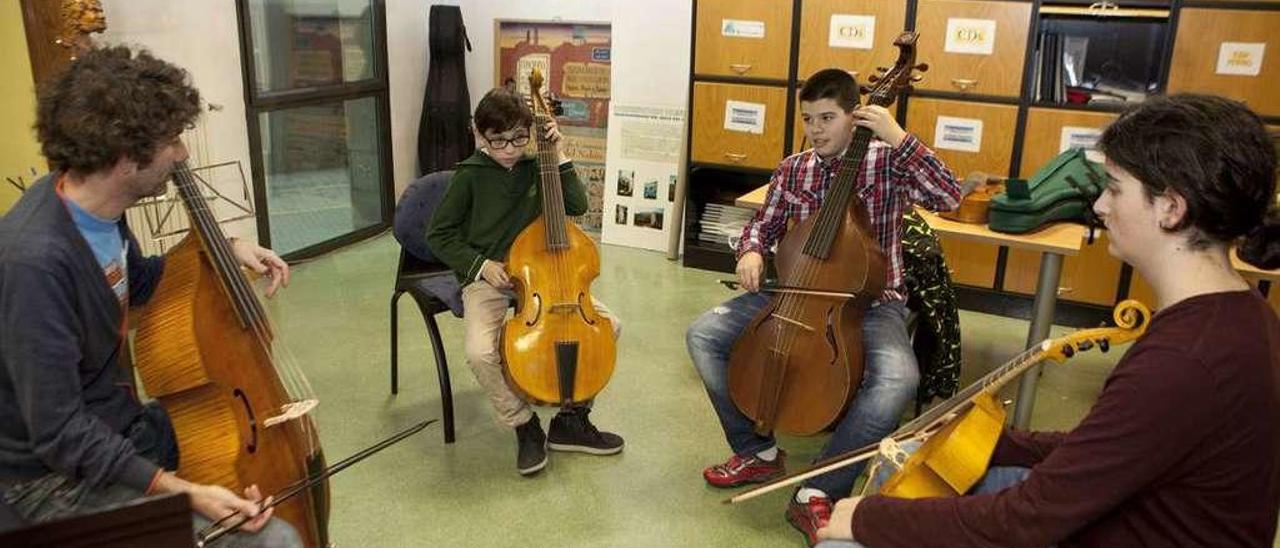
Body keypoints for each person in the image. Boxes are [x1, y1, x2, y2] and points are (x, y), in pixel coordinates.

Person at [816, 94, 1280, 547]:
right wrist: (997, 441)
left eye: (1115, 188)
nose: (1099, 205)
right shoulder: (1240, 315)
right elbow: (1104, 451)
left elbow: (1026, 523)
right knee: (925, 461)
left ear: (1171, 208)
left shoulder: (1183, 362)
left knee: (850, 538)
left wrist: (870, 519)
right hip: (1137, 512)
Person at [0, 46, 298, 546]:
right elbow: (58, 432)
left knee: (255, 457)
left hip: (116, 422)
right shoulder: (34, 262)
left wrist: (227, 248)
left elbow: (136, 282)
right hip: (44, 478)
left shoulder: (99, 211)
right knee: (274, 541)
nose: (181, 154)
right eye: (172, 141)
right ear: (125, 156)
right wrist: (182, 490)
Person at [686, 68, 962, 545]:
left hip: (874, 303)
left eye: (828, 118)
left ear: (856, 116)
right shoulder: (796, 167)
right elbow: (763, 225)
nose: (816, 129)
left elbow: (950, 196)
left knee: (899, 378)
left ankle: (819, 487)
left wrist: (898, 137)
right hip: (798, 293)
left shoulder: (887, 162)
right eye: (809, 118)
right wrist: (750, 250)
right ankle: (758, 453)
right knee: (703, 334)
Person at [426, 87, 624, 476]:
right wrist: (481, 266)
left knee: (609, 327)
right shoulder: (469, 177)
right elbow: (439, 235)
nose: (510, 149)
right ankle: (523, 423)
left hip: (545, 278)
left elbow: (578, 206)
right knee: (481, 352)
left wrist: (559, 152)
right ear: (479, 135)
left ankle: (571, 419)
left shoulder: (539, 165)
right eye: (497, 140)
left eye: (519, 138)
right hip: (492, 276)